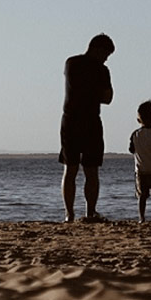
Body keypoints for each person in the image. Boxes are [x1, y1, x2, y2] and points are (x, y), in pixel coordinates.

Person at [59, 33, 115, 222]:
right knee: (87, 170)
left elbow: (103, 97)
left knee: (73, 169)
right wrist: (95, 91)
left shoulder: (72, 63)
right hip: (86, 120)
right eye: (106, 54)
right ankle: (86, 212)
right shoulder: (99, 70)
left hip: (74, 119)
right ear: (97, 49)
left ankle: (71, 214)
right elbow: (107, 97)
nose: (106, 59)